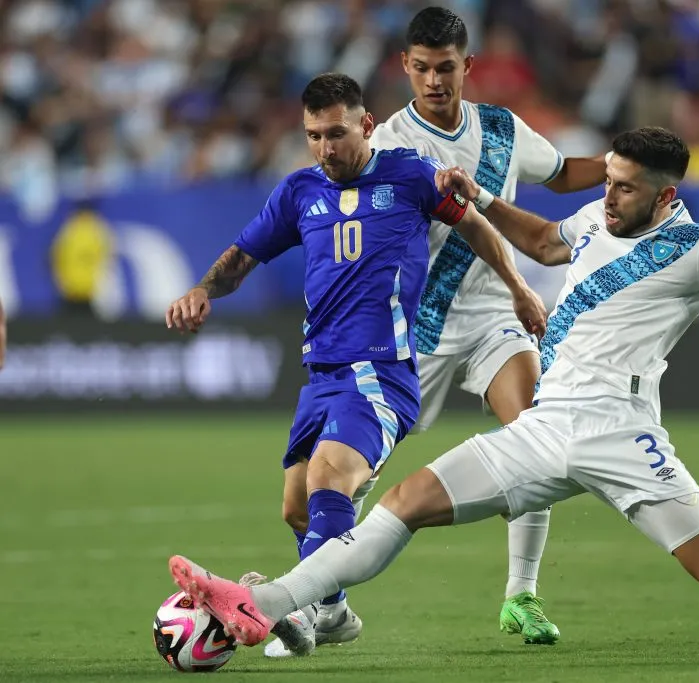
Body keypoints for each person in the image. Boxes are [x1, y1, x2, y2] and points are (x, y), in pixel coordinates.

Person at [167, 127, 699, 658]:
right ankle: (264, 601)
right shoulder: (599, 220)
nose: (608, 194)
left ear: (665, 195)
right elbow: (549, 240)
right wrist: (482, 198)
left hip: (623, 433)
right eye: (610, 179)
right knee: (409, 497)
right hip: (546, 422)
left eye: (626, 187)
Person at [264, 7, 609, 656]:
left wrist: (620, 166)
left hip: (492, 323)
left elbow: (561, 173)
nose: (433, 80)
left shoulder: (503, 131)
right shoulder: (388, 142)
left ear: (466, 66)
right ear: (405, 68)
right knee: (338, 481)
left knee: (534, 429)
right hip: (411, 330)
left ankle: (522, 591)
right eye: (421, 68)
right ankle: (325, 597)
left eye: (445, 67)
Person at [164, 72, 546, 656]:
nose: (325, 148)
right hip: (321, 377)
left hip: (381, 373)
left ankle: (292, 609)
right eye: (314, 135)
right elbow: (242, 258)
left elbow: (473, 224)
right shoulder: (298, 192)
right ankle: (336, 611)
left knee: (328, 479)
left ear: (366, 126)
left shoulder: (411, 176)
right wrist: (202, 291)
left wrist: (518, 288)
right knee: (297, 508)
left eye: (336, 134)